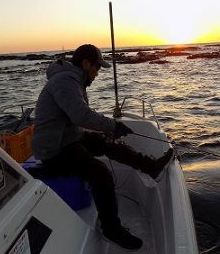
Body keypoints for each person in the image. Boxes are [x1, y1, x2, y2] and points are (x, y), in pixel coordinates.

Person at [31, 44, 174, 251]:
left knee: (108, 144)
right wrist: (113, 125)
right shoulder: (65, 80)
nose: (97, 74)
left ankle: (151, 167)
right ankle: (111, 229)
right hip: (54, 149)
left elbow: (78, 118)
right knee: (101, 173)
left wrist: (110, 130)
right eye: (97, 68)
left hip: (69, 138)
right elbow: (80, 115)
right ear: (86, 63)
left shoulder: (73, 79)